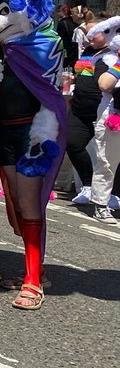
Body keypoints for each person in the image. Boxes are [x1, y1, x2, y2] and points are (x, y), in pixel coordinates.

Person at [66, 18, 120, 224]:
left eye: (92, 33)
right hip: (110, 115)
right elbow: (104, 84)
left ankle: (113, 195)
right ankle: (100, 203)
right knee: (106, 160)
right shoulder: (105, 58)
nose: (88, 37)